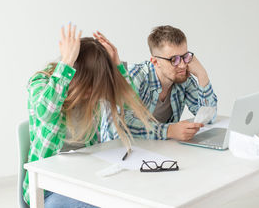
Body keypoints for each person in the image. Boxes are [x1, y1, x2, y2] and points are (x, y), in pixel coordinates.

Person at [23, 23, 153, 207]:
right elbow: (46, 112)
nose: (93, 93)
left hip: (84, 179)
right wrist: (67, 62)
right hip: (46, 190)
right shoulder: (41, 81)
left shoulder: (92, 93)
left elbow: (131, 105)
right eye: (89, 85)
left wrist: (117, 65)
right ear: (76, 75)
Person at [100, 25, 217, 142]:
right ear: (155, 61)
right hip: (118, 150)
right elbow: (120, 125)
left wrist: (202, 75)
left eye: (185, 57)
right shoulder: (134, 76)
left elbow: (209, 118)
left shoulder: (182, 78)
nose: (182, 65)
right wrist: (169, 131)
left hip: (155, 151)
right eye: (174, 60)